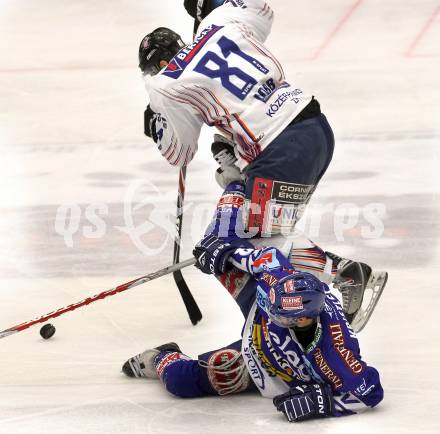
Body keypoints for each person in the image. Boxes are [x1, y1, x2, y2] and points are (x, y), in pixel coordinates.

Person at [138, 0, 387, 331]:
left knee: (249, 239)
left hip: (281, 150)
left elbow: (178, 153)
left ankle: (344, 275)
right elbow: (261, 11)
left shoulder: (165, 84)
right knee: (265, 229)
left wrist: (158, 124)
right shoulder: (221, 22)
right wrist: (211, 7)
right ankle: (298, 316)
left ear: (160, 64)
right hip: (314, 127)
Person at [122, 185, 383, 422]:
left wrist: (324, 403)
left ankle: (160, 357)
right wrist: (224, 253)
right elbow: (266, 258)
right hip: (255, 314)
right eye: (275, 307)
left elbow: (371, 393)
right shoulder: (278, 280)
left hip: (270, 372)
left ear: (303, 319)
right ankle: (236, 186)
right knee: (219, 237)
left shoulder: (335, 355)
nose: (275, 317)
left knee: (181, 381)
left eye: (281, 317)